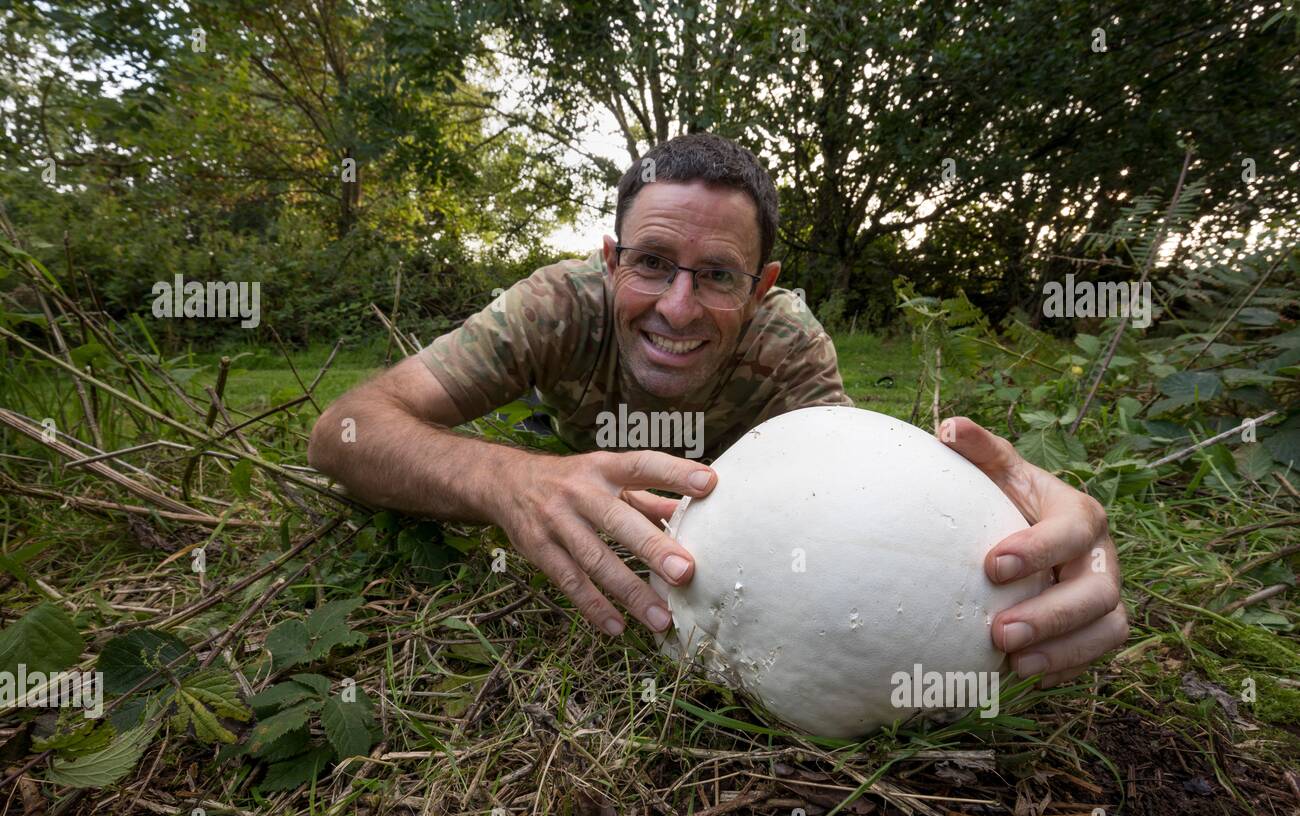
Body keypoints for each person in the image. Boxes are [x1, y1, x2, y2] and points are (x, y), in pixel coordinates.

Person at [308, 132, 1128, 689]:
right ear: (608, 260)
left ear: (762, 287)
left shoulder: (788, 345)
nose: (678, 306)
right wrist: (511, 482)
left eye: (718, 276)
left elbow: (875, 510)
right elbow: (345, 430)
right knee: (524, 444)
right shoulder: (556, 305)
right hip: (568, 448)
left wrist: (1024, 533)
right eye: (652, 263)